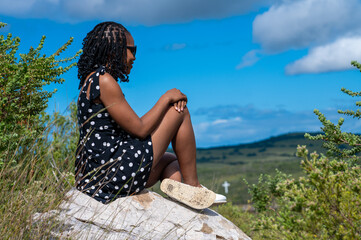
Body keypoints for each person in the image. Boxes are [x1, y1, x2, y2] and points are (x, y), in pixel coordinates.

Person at [75, 21, 226, 209]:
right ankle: (193, 187)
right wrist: (167, 98)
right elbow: (139, 129)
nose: (134, 57)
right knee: (180, 112)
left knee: (171, 160)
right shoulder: (104, 80)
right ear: (115, 49)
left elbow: (129, 128)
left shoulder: (91, 80)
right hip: (112, 173)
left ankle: (183, 200)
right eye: (132, 50)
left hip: (99, 173)